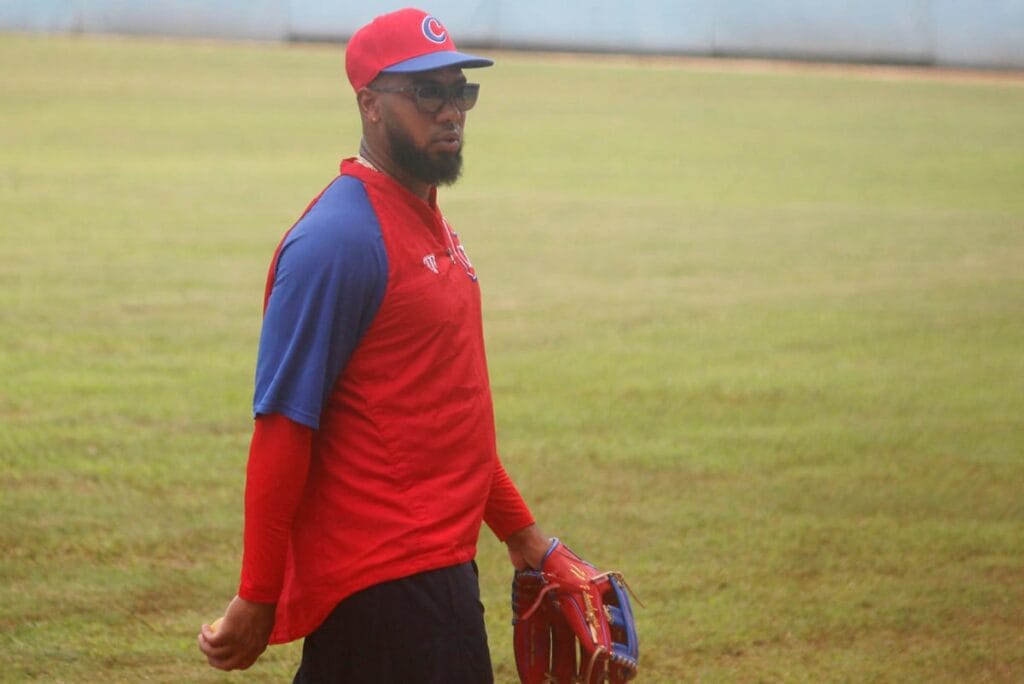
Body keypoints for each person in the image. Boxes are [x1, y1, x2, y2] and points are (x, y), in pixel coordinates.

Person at [197, 7, 552, 682]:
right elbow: (282, 425)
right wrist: (257, 593)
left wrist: (523, 535)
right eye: (427, 92)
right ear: (369, 104)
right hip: (389, 590)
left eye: (460, 91)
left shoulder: (427, 221)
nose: (451, 111)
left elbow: (439, 417)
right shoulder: (339, 241)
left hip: (437, 575)